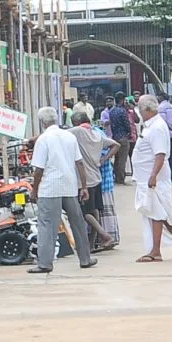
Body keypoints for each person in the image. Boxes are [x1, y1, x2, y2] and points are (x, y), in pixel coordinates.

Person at [27, 107, 98, 274]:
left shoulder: (43, 140)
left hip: (50, 188)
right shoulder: (69, 136)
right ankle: (85, 259)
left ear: (42, 122)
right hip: (69, 186)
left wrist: (34, 190)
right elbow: (79, 163)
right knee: (78, 223)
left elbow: (38, 170)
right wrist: (84, 186)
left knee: (47, 225)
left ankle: (45, 263)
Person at [132, 93, 172, 261]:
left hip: (154, 178)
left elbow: (160, 154)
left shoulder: (157, 127)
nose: (139, 113)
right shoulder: (150, 125)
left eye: (140, 109)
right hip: (147, 177)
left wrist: (153, 176)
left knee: (156, 213)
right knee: (159, 213)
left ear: (147, 110)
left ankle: (155, 251)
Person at [71, 106, 117, 250]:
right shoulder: (97, 134)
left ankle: (106, 236)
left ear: (77, 123)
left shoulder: (78, 132)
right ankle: (91, 244)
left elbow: (57, 134)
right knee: (94, 209)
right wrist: (104, 159)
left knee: (84, 212)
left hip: (84, 179)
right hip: (96, 177)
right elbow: (116, 145)